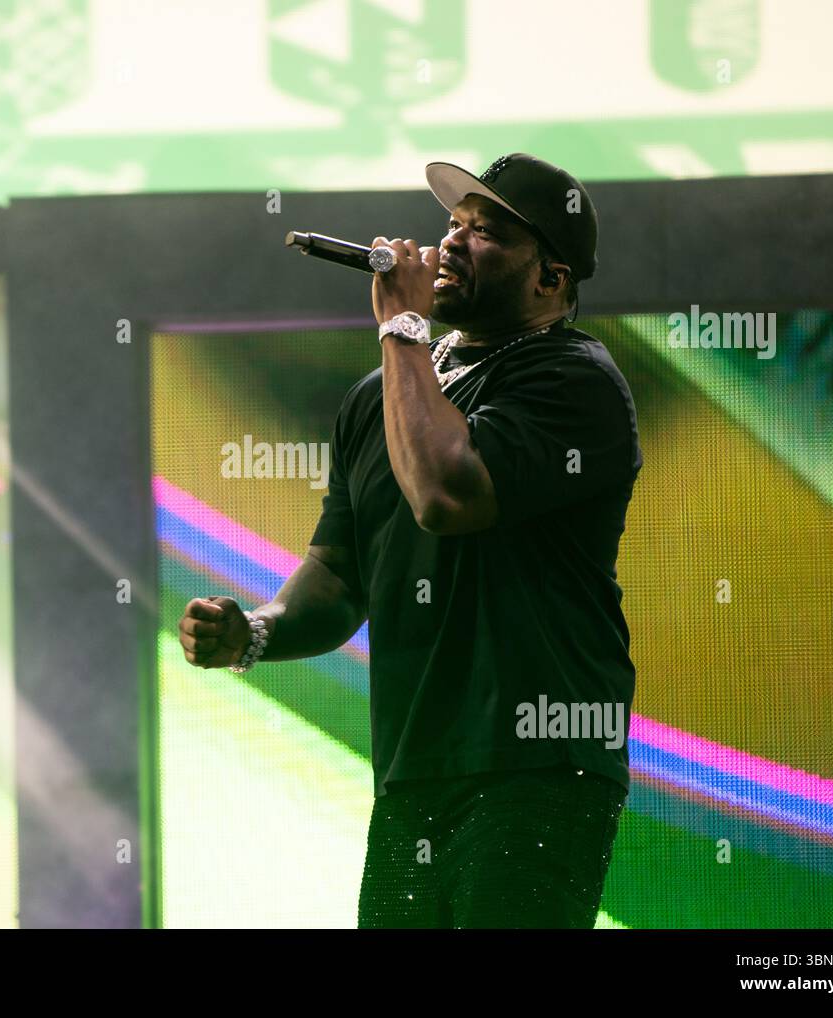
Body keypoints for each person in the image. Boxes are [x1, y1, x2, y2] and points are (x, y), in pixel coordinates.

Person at [177, 153, 643, 928]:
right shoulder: (381, 398)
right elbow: (337, 578)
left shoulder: (575, 379)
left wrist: (402, 327)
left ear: (550, 279)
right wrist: (254, 631)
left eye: (486, 232)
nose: (453, 244)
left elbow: (446, 493)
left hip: (537, 769)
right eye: (453, 225)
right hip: (411, 773)